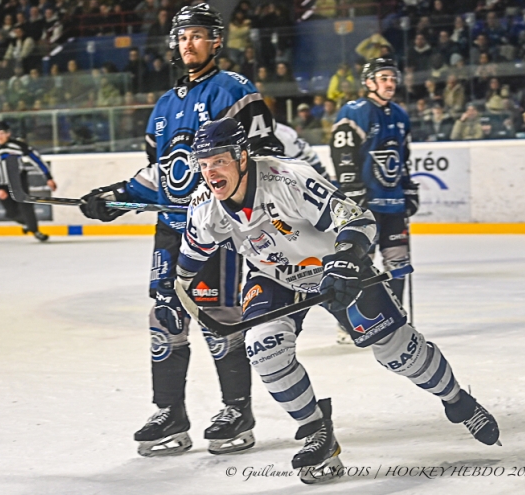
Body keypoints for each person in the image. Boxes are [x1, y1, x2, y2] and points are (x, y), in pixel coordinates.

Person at [178, 117, 501, 483]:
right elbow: (190, 262)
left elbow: (359, 219)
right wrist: (175, 295)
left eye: (219, 160)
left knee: (398, 351)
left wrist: (347, 258)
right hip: (273, 276)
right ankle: (317, 432)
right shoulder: (204, 204)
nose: (210, 172)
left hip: (334, 266)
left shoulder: (288, 178)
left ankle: (458, 401)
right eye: (203, 164)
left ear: (242, 156)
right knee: (263, 347)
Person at [78, 3, 282, 458]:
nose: (188, 43)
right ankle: (169, 411)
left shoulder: (235, 92)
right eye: (183, 36)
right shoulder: (165, 105)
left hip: (219, 230)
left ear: (216, 42)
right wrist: (113, 196)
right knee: (166, 317)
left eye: (198, 35)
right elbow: (159, 172)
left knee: (217, 318)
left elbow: (268, 159)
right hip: (171, 230)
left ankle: (237, 411)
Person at [328, 56, 418, 318]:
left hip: (394, 205)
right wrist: (353, 191)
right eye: (383, 78)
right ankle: (352, 319)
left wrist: (408, 188)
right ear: (368, 82)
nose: (390, 83)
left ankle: (396, 315)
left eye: (392, 78)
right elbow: (343, 155)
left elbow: (403, 158)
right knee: (355, 264)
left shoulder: (400, 114)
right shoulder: (355, 111)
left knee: (398, 262)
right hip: (364, 206)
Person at [0, 121, 56, 242]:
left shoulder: (18, 145)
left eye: (2, 133)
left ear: (8, 134)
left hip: (18, 181)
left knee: (26, 206)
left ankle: (36, 231)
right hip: (2, 183)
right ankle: (27, 223)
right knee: (11, 213)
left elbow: (36, 159)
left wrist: (48, 177)